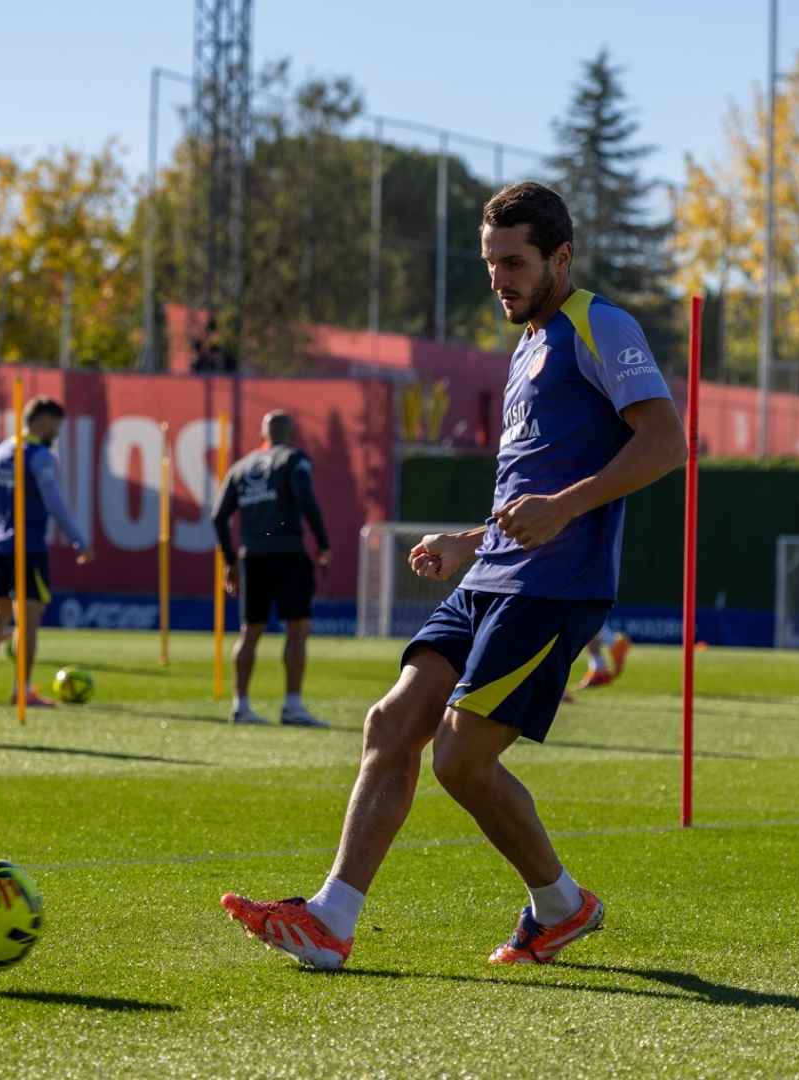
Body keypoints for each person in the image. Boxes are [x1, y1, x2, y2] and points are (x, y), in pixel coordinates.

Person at [220, 182, 686, 969]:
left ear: (561, 257)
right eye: (490, 262)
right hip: (490, 577)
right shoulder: (528, 345)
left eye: (515, 262)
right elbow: (530, 489)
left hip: (554, 586)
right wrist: (470, 541)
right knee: (390, 722)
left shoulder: (600, 324)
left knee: (460, 758)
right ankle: (332, 920)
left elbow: (667, 444)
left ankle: (562, 905)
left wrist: (563, 509)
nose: (498, 278)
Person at [0, 396, 95, 706]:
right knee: (29, 619)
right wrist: (78, 540)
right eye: (56, 425)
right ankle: (22, 690)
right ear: (43, 420)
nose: (57, 432)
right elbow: (54, 502)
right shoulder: (40, 456)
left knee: (0, 612)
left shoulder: (1, 452)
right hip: (28, 545)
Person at [212, 410, 331, 727]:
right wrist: (323, 542)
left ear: (263, 434)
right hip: (289, 553)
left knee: (249, 631)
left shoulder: (241, 467)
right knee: (297, 628)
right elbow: (306, 498)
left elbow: (218, 516)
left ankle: (241, 706)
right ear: (291, 434)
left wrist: (230, 561)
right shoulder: (294, 459)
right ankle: (292, 705)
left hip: (252, 557)